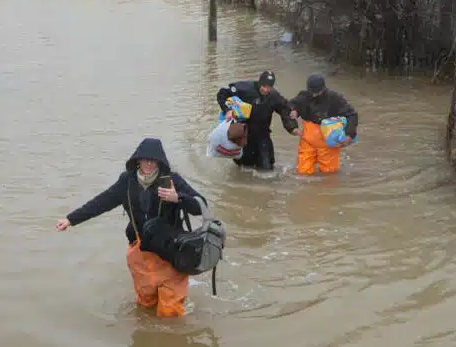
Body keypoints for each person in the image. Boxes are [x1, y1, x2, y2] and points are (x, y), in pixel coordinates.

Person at [55, 137, 206, 318]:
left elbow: (201, 206)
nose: (149, 163)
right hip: (140, 250)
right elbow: (102, 202)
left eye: (154, 160)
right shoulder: (126, 181)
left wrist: (178, 198)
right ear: (137, 160)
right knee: (145, 304)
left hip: (171, 253)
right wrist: (71, 219)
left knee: (170, 314)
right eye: (145, 159)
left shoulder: (172, 180)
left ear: (160, 161)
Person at [215, 71, 298, 171]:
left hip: (263, 134)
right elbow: (222, 93)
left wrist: (292, 127)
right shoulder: (244, 88)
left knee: (267, 168)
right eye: (264, 86)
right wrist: (227, 110)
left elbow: (285, 109)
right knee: (243, 166)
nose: (266, 89)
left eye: (269, 87)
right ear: (259, 83)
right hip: (243, 133)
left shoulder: (274, 96)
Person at [289, 73, 358, 175]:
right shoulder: (303, 96)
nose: (313, 94)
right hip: (307, 141)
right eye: (311, 91)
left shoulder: (335, 98)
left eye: (316, 92)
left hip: (329, 142)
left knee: (330, 175)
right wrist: (294, 111)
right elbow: (291, 105)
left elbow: (352, 115)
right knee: (302, 173)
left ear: (323, 89)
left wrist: (349, 135)